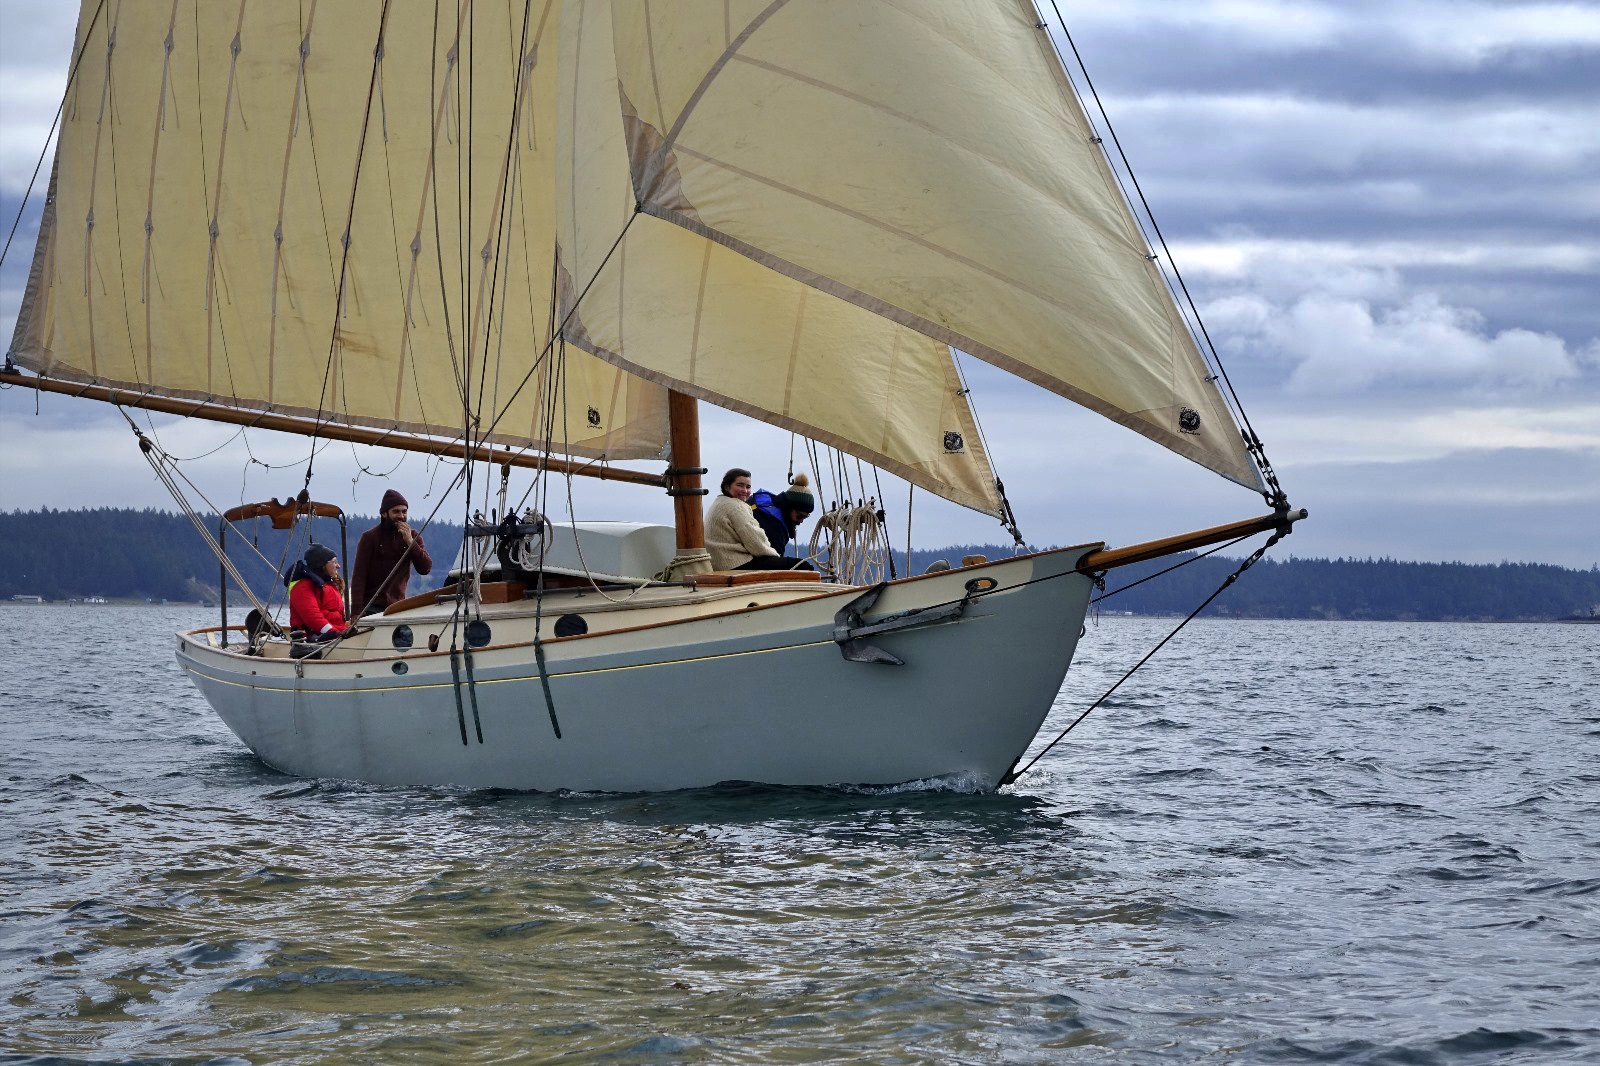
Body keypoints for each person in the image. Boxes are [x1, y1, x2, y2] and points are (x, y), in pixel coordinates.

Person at [706, 467, 811, 572]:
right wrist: (778, 559)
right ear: (727, 487)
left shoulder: (719, 503)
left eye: (748, 487)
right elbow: (756, 543)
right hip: (734, 563)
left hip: (718, 562)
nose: (745, 490)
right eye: (740, 485)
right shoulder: (736, 507)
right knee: (802, 565)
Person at [350, 489, 433, 616]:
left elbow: (425, 568)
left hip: (398, 606)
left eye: (404, 511)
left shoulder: (413, 536)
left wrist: (410, 542)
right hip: (371, 606)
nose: (401, 516)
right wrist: (356, 612)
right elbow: (359, 577)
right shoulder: (370, 538)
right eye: (396, 511)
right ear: (384, 513)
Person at [750, 473, 817, 568]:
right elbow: (772, 560)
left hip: (749, 559)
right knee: (804, 566)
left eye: (805, 517)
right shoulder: (774, 525)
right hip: (749, 563)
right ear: (789, 508)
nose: (801, 521)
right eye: (800, 516)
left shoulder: (765, 506)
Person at [286, 543, 349, 639]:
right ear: (322, 565)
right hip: (316, 638)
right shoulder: (302, 587)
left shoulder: (329, 586)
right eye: (334, 562)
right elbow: (313, 617)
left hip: (338, 633)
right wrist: (332, 633)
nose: (338, 566)